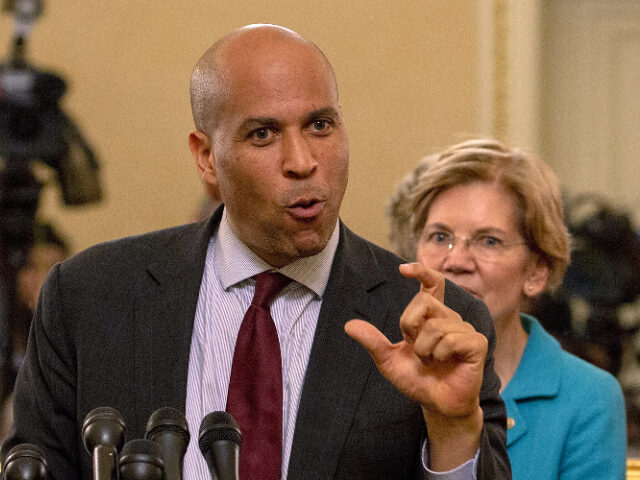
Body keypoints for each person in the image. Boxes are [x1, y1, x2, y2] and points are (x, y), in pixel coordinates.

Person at [2, 26, 510, 479]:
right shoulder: (89, 297)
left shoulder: (437, 324)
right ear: (206, 159)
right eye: (263, 134)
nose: (303, 161)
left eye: (320, 125)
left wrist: (453, 432)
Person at [388, 138, 626, 479]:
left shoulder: (587, 398)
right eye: (440, 236)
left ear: (536, 271)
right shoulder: (383, 374)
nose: (455, 261)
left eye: (489, 241)